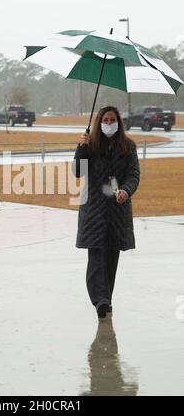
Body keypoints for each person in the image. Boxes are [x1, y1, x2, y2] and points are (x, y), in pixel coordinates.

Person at [73, 106, 140, 320]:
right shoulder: (90, 145)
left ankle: (106, 299)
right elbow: (78, 171)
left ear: (118, 123)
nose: (109, 123)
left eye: (112, 120)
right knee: (96, 257)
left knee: (111, 258)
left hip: (117, 212)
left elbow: (133, 174)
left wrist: (126, 191)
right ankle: (100, 300)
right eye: (105, 120)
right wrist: (81, 147)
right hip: (94, 209)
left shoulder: (128, 146)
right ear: (98, 122)